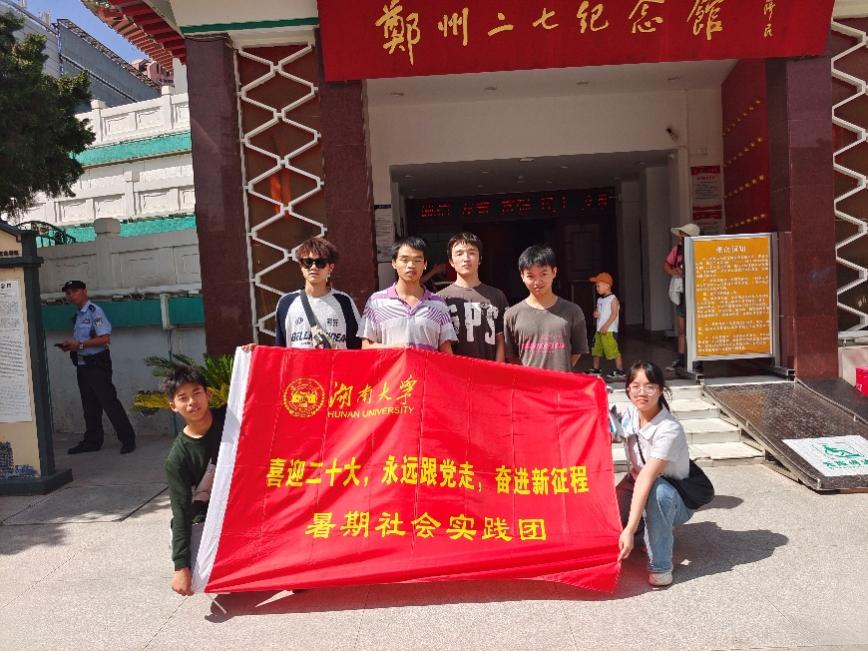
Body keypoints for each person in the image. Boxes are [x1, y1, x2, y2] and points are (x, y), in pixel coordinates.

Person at [614, 361, 694, 587]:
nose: (642, 392)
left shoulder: (669, 428)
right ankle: (647, 534)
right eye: (636, 386)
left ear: (660, 390)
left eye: (650, 386)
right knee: (610, 513)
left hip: (673, 495)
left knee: (658, 495)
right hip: (635, 482)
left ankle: (661, 566)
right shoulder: (629, 413)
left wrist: (629, 530)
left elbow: (647, 478)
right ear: (628, 389)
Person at [163, 365, 226, 596]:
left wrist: (255, 355)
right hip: (211, 515)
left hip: (250, 503)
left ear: (208, 394)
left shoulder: (231, 418)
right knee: (202, 574)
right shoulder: (177, 458)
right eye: (183, 398)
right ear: (173, 406)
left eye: (197, 393)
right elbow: (180, 510)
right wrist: (181, 566)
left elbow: (261, 394)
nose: (192, 402)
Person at [59, 280, 136, 455]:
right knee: (89, 405)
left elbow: (104, 339)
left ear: (84, 291)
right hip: (82, 363)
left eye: (75, 291)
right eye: (68, 293)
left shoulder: (95, 311)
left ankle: (127, 439)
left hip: (97, 363)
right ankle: (92, 441)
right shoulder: (78, 314)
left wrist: (78, 345)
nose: (71, 295)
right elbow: (83, 340)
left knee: (109, 402)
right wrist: (71, 346)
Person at [244, 237, 361, 350]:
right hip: (298, 365)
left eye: (320, 263)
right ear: (301, 266)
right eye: (308, 262)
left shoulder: (344, 302)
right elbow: (280, 350)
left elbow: (358, 348)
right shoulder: (286, 303)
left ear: (330, 267)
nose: (313, 267)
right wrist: (257, 352)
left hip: (334, 364)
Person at [359, 236, 457, 352]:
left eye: (417, 260)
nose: (411, 265)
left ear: (425, 264)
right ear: (394, 263)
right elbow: (366, 347)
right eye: (404, 260)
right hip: (392, 365)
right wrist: (395, 350)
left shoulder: (438, 304)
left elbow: (446, 352)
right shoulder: (376, 302)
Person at [503, 244, 589, 372]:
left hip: (561, 383)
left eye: (543, 274)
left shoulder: (573, 311)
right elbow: (511, 355)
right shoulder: (512, 315)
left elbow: (577, 351)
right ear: (522, 276)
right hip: (528, 384)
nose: (537, 282)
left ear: (554, 272)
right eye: (531, 276)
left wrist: (559, 373)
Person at [437, 232, 509, 362]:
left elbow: (501, 339)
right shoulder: (440, 299)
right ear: (451, 262)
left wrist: (498, 369)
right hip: (455, 371)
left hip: (489, 371)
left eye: (471, 252)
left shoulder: (497, 296)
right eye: (459, 254)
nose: (466, 258)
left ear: (480, 259)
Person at [663, 223, 700, 371]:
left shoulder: (699, 249)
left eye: (683, 235)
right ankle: (681, 358)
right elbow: (666, 265)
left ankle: (697, 359)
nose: (680, 237)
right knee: (681, 329)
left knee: (696, 329)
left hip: (696, 294)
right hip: (682, 293)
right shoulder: (676, 250)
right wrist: (674, 272)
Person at [588, 272, 625, 380]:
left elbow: (614, 314)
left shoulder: (613, 299)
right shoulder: (600, 300)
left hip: (609, 330)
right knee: (596, 349)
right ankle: (596, 369)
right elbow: (598, 311)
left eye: (598, 286)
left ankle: (620, 370)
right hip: (599, 330)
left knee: (613, 350)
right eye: (596, 286)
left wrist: (606, 325)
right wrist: (595, 313)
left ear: (607, 285)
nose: (597, 288)